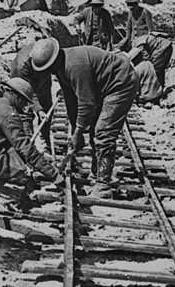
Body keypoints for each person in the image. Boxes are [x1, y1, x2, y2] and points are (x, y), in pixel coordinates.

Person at [29, 39, 136, 197]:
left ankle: (104, 186)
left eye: (48, 68)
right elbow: (71, 99)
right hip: (102, 86)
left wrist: (79, 132)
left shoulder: (75, 66)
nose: (48, 72)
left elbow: (87, 102)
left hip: (120, 83)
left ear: (54, 59)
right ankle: (97, 173)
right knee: (94, 129)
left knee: (103, 132)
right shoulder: (60, 68)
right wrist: (74, 130)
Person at [0, 77, 60, 193]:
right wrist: (53, 174)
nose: (24, 105)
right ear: (17, 97)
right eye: (24, 101)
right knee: (24, 175)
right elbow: (26, 149)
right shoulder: (9, 114)